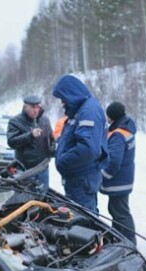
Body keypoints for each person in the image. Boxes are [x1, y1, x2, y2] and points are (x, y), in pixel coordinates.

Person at [52, 75, 108, 214]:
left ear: (70, 94)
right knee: (78, 220)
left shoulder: (89, 111)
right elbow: (70, 140)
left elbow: (88, 149)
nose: (62, 103)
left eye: (63, 99)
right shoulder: (79, 111)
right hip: (77, 180)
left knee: (83, 222)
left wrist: (63, 161)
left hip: (82, 181)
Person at [100, 101, 137, 245]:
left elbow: (114, 161)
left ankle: (129, 243)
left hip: (118, 181)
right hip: (124, 179)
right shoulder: (126, 129)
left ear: (112, 117)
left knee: (120, 213)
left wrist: (103, 176)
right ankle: (119, 239)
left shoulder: (118, 135)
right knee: (117, 210)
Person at [7, 95, 54, 188]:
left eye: (37, 107)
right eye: (33, 107)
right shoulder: (15, 121)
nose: (36, 110)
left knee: (43, 199)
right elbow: (11, 142)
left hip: (42, 169)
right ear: (25, 106)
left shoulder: (45, 120)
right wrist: (30, 135)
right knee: (26, 200)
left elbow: (52, 139)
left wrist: (51, 151)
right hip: (25, 170)